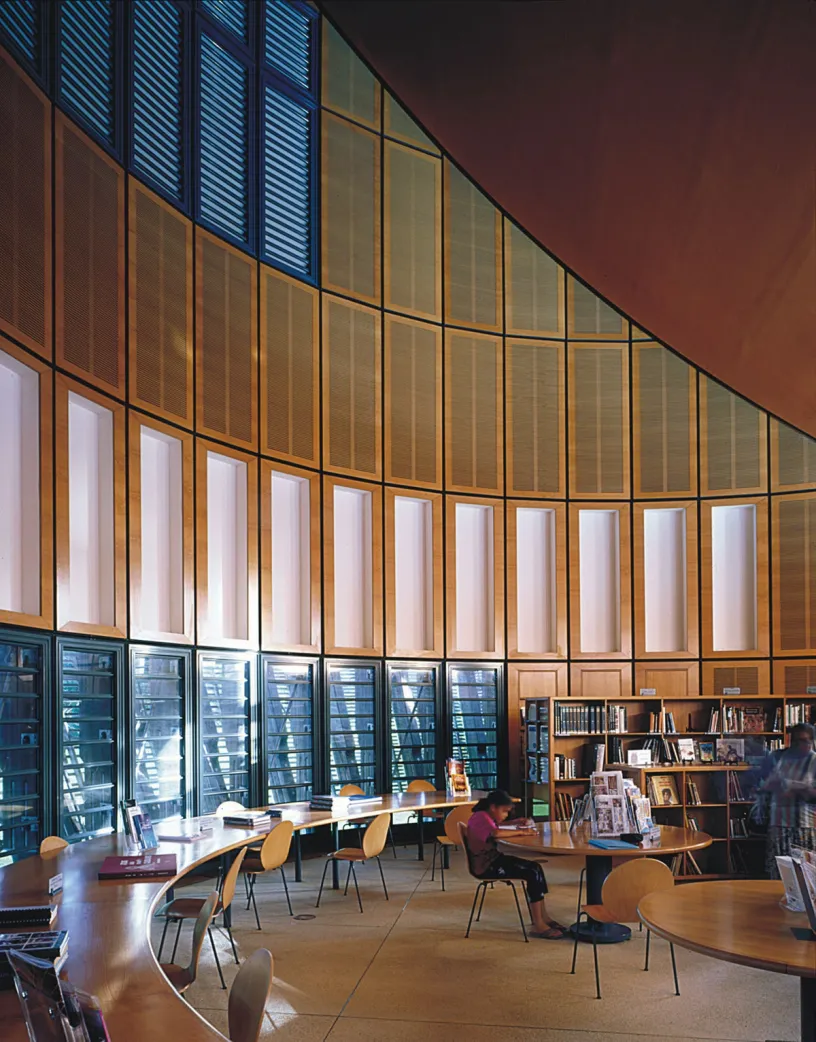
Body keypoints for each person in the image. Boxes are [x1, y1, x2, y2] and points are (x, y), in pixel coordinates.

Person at [466, 790, 567, 939]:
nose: (506, 815)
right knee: (532, 871)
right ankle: (538, 924)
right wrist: (523, 832)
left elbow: (497, 827)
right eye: (505, 811)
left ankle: (543, 917)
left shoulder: (484, 815)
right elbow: (496, 833)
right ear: (493, 807)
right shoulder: (480, 817)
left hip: (492, 860)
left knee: (535, 868)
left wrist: (515, 823)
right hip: (486, 867)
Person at [755, 723, 816, 877]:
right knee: (778, 872)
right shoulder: (777, 757)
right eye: (795, 741)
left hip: (805, 827)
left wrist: (798, 788)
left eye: (804, 741)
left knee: (805, 874)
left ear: (812, 741)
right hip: (778, 824)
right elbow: (762, 784)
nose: (799, 745)